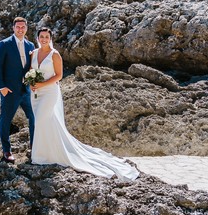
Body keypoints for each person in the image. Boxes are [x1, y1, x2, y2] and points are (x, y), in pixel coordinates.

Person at [29, 27, 139, 180]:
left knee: (42, 119)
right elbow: (30, 72)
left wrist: (42, 85)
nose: (44, 39)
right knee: (45, 122)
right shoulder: (33, 53)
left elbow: (59, 76)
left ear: (50, 38)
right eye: (41, 36)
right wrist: (31, 83)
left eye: (47, 37)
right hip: (36, 93)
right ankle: (46, 153)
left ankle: (42, 155)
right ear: (38, 38)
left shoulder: (55, 55)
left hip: (49, 92)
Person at [0, 16, 36, 163]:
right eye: (18, 27)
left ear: (26, 28)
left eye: (23, 27)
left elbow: (31, 67)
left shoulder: (30, 45)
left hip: (26, 90)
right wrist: (1, 87)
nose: (20, 29)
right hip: (9, 91)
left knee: (34, 117)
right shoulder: (4, 44)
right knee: (6, 120)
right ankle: (6, 150)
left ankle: (33, 145)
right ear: (13, 28)